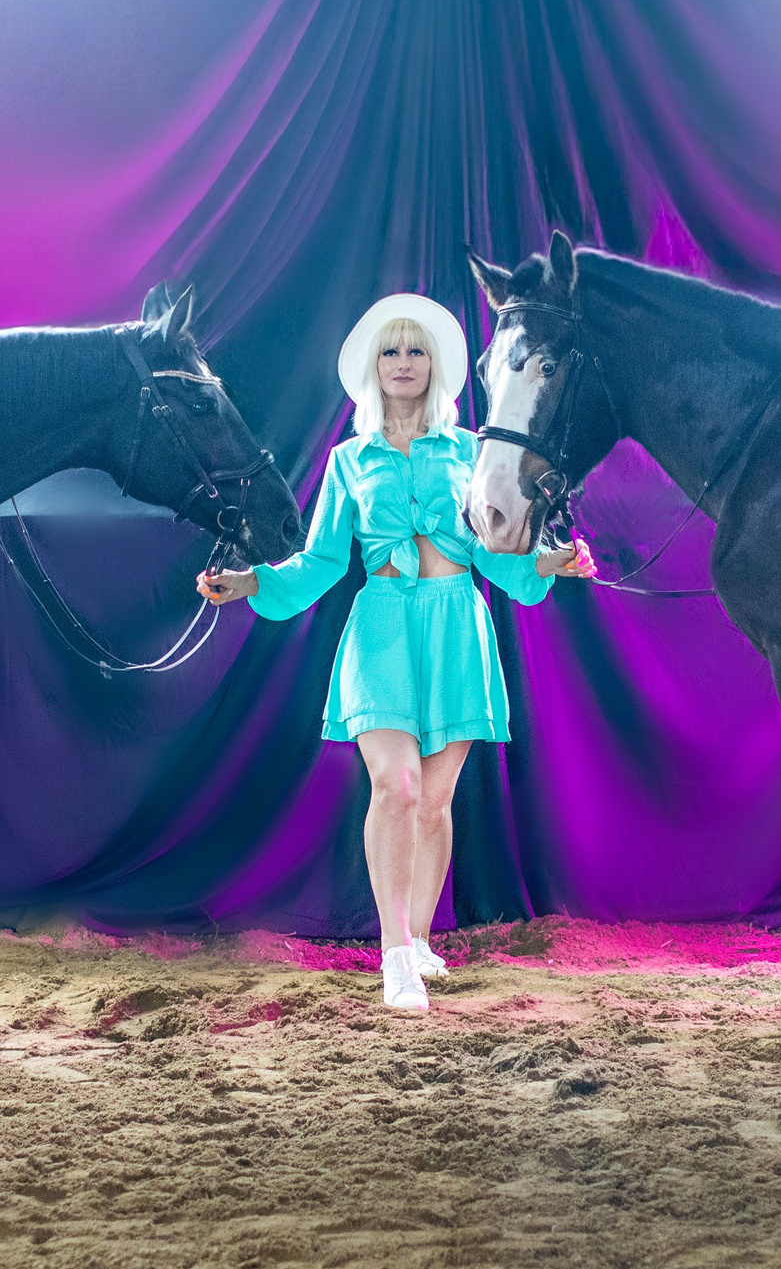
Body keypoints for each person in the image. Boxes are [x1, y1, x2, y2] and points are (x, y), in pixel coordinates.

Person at [197, 293, 595, 1010]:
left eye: (415, 351)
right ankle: (394, 958)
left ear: (433, 365)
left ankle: (417, 939)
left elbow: (493, 555)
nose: (403, 363)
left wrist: (549, 562)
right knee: (398, 786)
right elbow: (319, 562)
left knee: (436, 801)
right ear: (372, 369)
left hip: (456, 626)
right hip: (380, 626)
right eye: (391, 351)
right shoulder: (349, 460)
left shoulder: (472, 450)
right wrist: (252, 580)